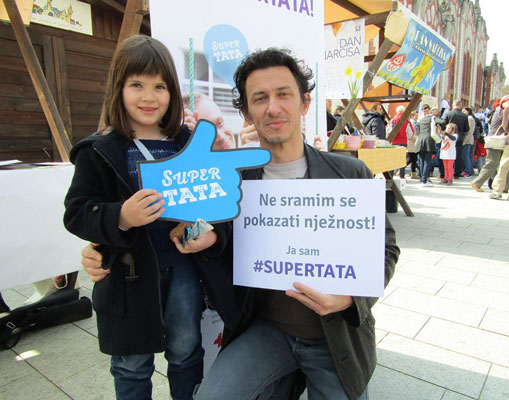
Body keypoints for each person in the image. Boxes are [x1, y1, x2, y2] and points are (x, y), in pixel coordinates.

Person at [194, 48, 400, 400]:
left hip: (333, 336)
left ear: (304, 104)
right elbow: (213, 239)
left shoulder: (350, 174)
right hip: (265, 330)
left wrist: (351, 299)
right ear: (246, 112)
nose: (273, 108)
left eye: (283, 94)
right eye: (259, 99)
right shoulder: (232, 181)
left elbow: (386, 249)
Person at [63, 35, 230, 400]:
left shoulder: (188, 142)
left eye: (160, 86)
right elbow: (76, 213)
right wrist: (121, 215)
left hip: (184, 272)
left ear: (172, 92)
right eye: (136, 85)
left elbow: (213, 205)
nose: (149, 97)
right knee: (131, 364)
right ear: (118, 89)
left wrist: (201, 226)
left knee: (186, 354)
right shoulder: (99, 150)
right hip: (127, 278)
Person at [416, 107, 445, 187]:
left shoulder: (422, 119)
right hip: (428, 140)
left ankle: (422, 179)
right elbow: (443, 121)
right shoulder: (433, 118)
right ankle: (425, 180)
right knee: (427, 161)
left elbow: (418, 128)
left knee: (421, 161)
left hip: (420, 140)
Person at [443, 100, 469, 178]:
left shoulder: (448, 114)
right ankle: (457, 172)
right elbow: (467, 128)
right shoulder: (464, 116)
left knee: (447, 154)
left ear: (453, 105)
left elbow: (444, 124)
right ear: (461, 106)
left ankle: (446, 173)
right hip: (459, 136)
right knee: (458, 154)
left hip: (449, 136)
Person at [388, 105, 414, 179]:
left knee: (392, 159)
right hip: (403, 142)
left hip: (393, 142)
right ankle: (402, 176)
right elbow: (410, 133)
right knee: (402, 159)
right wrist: (407, 138)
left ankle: (390, 176)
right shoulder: (406, 121)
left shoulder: (393, 120)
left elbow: (388, 130)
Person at [461, 107, 476, 177]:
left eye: (464, 111)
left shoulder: (470, 118)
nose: (463, 112)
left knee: (466, 156)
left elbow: (470, 131)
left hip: (468, 140)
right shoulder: (466, 118)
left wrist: (465, 140)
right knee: (465, 156)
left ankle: (468, 171)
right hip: (466, 139)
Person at [407, 111, 419, 179]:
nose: (417, 117)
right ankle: (413, 173)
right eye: (416, 115)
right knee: (412, 158)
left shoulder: (415, 123)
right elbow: (411, 134)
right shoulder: (411, 123)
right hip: (412, 142)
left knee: (412, 159)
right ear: (412, 116)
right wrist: (418, 138)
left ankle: (413, 173)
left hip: (414, 143)